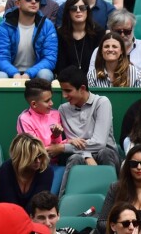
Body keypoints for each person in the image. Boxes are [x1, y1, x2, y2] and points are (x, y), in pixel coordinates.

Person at [46, 66, 120, 198]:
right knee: (74, 159)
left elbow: (99, 143)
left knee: (105, 153)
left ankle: (115, 202)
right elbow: (75, 141)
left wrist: (62, 148)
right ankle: (60, 205)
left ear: (82, 89)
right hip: (78, 153)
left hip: (105, 152)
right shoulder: (63, 109)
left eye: (68, 91)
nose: (64, 95)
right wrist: (87, 156)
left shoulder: (102, 102)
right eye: (62, 91)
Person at [0, 0, 58, 83]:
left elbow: (49, 59)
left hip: (36, 72)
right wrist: (15, 73)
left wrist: (28, 74)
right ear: (17, 3)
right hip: (11, 73)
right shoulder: (5, 26)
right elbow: (1, 58)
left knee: (45, 74)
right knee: (0, 76)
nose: (33, 2)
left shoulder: (47, 25)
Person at [0, 133, 53, 213]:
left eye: (40, 156)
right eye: (33, 158)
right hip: (7, 216)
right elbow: (9, 203)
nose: (38, 161)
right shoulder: (6, 169)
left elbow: (37, 204)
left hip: (33, 219)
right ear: (21, 157)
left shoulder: (46, 170)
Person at [89, 8, 141, 73]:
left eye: (127, 31)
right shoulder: (100, 51)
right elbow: (92, 76)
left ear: (133, 29)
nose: (122, 35)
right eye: (118, 32)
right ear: (111, 31)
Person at [56, 0, 105, 75]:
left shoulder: (98, 32)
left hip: (92, 79)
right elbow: (60, 65)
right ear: (68, 12)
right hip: (67, 80)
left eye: (82, 8)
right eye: (73, 8)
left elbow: (100, 62)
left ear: (87, 11)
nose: (78, 11)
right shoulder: (60, 34)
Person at [17, 78, 63, 147]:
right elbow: (35, 149)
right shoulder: (24, 119)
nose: (52, 103)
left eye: (51, 99)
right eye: (47, 101)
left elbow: (59, 144)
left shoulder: (56, 113)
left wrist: (56, 137)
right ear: (34, 104)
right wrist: (55, 140)